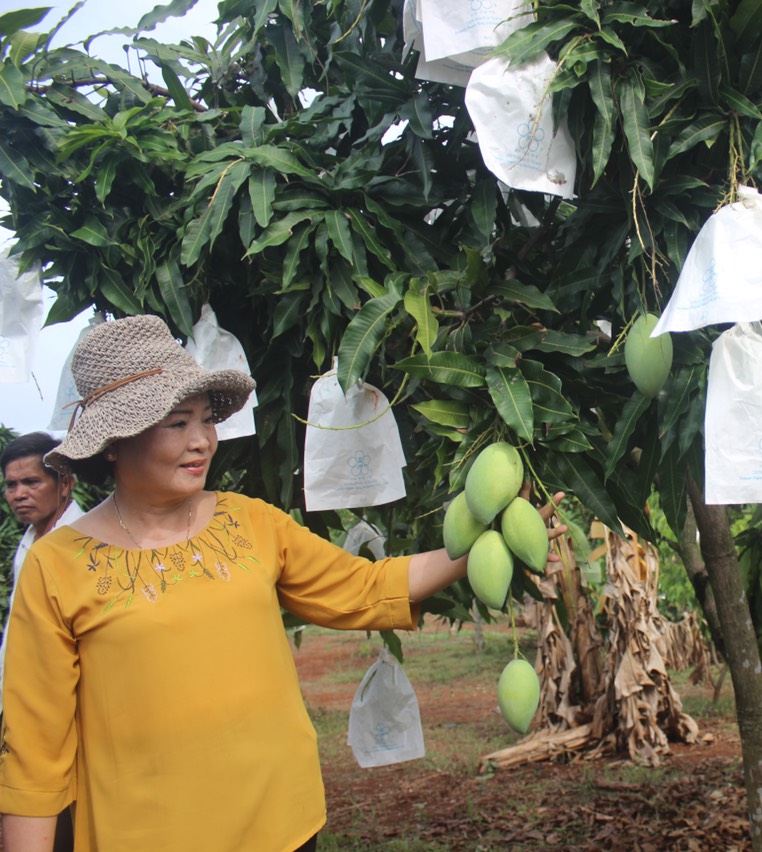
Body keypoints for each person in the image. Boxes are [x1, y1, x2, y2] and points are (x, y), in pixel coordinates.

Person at [0, 315, 562, 852]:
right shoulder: (57, 565)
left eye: (205, 420)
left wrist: (480, 541)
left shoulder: (250, 522)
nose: (202, 441)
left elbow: (364, 587)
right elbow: (34, 752)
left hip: (283, 821)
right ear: (116, 442)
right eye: (178, 423)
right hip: (147, 835)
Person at [1, 432, 84, 852]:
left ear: (64, 481)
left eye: (31, 482)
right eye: (11, 485)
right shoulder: (31, 542)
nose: (19, 494)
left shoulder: (82, 543)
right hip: (28, 712)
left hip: (72, 720)